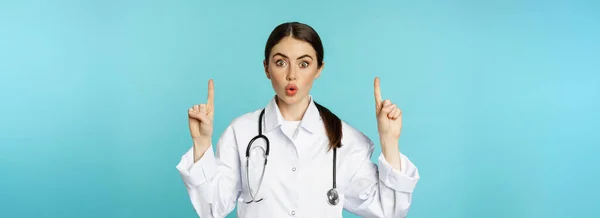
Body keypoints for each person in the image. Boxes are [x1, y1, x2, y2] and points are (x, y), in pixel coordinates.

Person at [176, 21, 420, 218]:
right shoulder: (240, 132)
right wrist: (201, 143)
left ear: (318, 69)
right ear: (266, 68)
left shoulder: (346, 139)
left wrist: (389, 141)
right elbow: (211, 209)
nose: (292, 75)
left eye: (304, 64)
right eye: (281, 62)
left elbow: (389, 212)